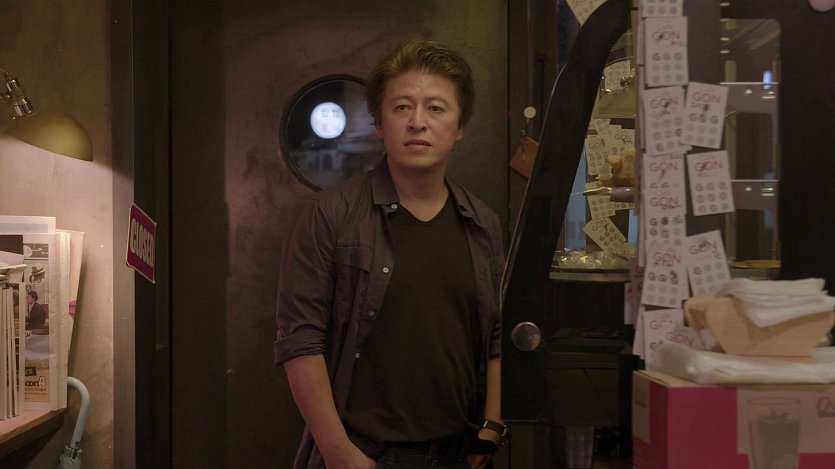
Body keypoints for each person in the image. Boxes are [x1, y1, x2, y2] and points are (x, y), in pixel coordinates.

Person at [275, 38, 507, 469]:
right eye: (402, 107)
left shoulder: (482, 224)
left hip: (461, 452)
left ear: (459, 126)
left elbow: (495, 337)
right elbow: (300, 342)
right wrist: (339, 453)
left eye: (436, 108)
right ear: (380, 124)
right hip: (366, 453)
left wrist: (491, 430)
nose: (418, 122)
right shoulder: (331, 215)